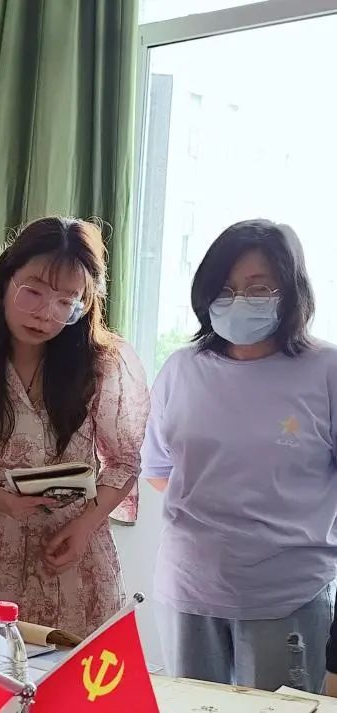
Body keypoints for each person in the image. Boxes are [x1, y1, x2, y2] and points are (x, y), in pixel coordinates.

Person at [0, 216, 149, 636]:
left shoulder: (102, 365)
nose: (44, 313)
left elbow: (124, 462)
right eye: (33, 291)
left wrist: (83, 527)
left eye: (66, 302)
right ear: (6, 279)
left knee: (73, 670)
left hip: (73, 552)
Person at [143, 219, 337, 691]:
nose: (239, 301)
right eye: (225, 290)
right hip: (188, 591)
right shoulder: (182, 369)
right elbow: (160, 470)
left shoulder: (326, 370)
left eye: (258, 288)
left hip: (288, 595)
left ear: (291, 291)